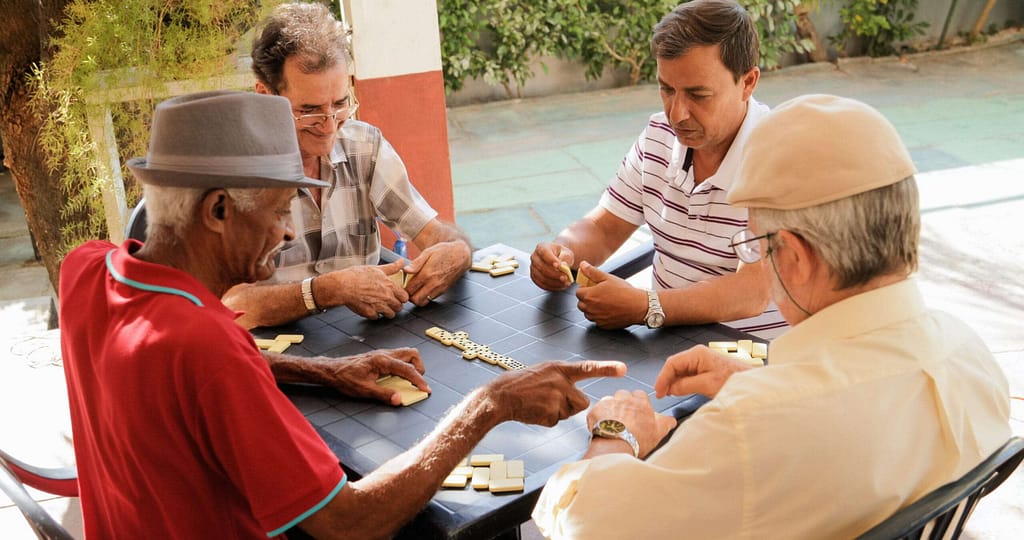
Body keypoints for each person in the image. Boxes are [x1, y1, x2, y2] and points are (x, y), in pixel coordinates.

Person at [59, 91, 624, 538]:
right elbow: (349, 524)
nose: (284, 231)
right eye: (280, 212)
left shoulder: (85, 270)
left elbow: (183, 383)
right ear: (219, 209)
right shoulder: (206, 347)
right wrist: (491, 403)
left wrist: (323, 371)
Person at [530, 94, 1012, 538]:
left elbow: (587, 525)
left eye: (758, 243)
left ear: (796, 258)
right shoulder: (971, 356)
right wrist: (761, 380)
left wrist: (616, 433)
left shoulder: (752, 428)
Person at [530, 0, 786, 339]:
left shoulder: (781, 156)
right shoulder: (659, 137)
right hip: (665, 343)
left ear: (748, 82)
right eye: (666, 90)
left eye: (699, 95)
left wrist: (648, 307)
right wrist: (563, 252)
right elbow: (605, 227)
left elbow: (753, 290)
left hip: (750, 358)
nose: (677, 113)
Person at [222, 2, 472, 329]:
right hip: (275, 358)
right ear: (265, 96)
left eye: (340, 104)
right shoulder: (234, 175)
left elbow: (436, 233)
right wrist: (329, 290)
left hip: (363, 343)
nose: (329, 126)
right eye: (309, 110)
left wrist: (457, 251)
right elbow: (232, 304)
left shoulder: (363, 147)